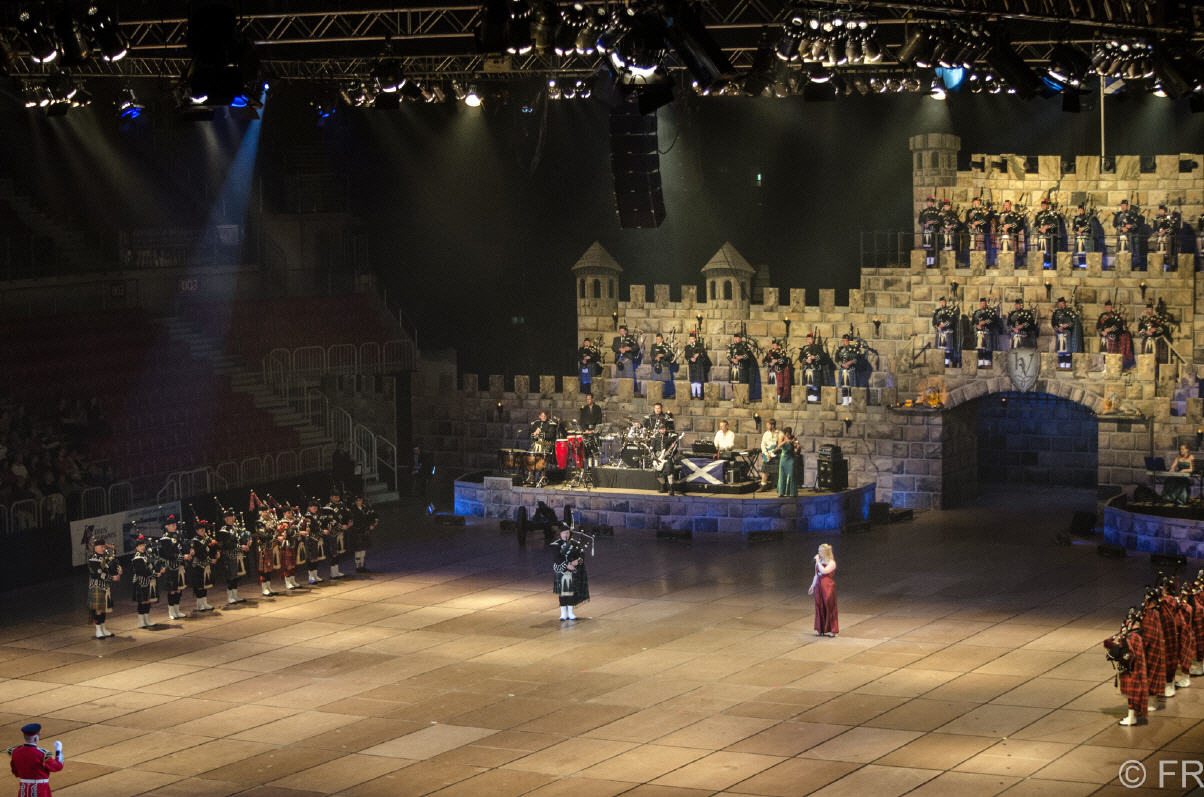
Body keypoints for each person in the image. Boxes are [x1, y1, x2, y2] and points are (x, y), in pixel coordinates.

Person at [10, 723, 63, 796]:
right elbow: (58, 766)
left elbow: (15, 771)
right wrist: (58, 751)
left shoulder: (15, 752)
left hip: (23, 790)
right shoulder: (42, 754)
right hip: (40, 790)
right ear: (35, 738)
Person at [551, 524, 588, 621]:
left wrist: (577, 561)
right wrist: (567, 565)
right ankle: (563, 613)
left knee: (571, 592)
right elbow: (556, 558)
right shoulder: (556, 544)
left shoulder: (574, 544)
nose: (566, 535)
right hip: (561, 570)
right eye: (564, 533)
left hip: (572, 571)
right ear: (560, 534)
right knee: (562, 593)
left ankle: (571, 613)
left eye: (567, 533)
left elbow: (581, 555)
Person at [85, 536, 120, 638]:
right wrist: (111, 577)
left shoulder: (105, 557)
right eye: (101, 546)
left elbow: (110, 569)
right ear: (95, 547)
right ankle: (98, 630)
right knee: (98, 609)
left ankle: (103, 629)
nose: (103, 548)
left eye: (104, 546)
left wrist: (117, 571)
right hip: (97, 586)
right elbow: (98, 574)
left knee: (104, 609)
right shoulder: (93, 559)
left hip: (105, 586)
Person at [185, 520, 218, 613]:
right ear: (197, 531)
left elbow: (211, 549)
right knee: (199, 585)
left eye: (204, 530)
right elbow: (198, 553)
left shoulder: (207, 539)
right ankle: (199, 605)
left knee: (205, 585)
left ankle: (205, 603)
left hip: (206, 565)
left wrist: (214, 555)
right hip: (197, 565)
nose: (203, 532)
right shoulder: (194, 541)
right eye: (201, 530)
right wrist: (209, 558)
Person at [130, 535, 162, 629]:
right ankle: (141, 621)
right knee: (142, 602)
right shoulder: (137, 557)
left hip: (148, 581)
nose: (143, 547)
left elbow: (151, 566)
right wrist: (154, 574)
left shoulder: (146, 555)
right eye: (140, 546)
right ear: (137, 548)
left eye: (143, 545)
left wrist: (157, 570)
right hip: (141, 582)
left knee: (148, 601)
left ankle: (147, 620)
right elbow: (142, 571)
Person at [158, 515, 186, 620]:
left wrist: (187, 552)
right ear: (167, 526)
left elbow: (182, 547)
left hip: (179, 565)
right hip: (170, 567)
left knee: (179, 589)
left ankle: (177, 610)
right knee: (172, 590)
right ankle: (171, 612)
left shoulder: (178, 535)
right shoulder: (165, 538)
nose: (175, 526)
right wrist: (182, 557)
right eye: (172, 525)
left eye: (175, 524)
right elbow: (168, 554)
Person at [216, 509, 245, 605]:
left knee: (236, 576)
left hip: (237, 555)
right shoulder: (223, 530)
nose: (233, 518)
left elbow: (239, 539)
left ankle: (235, 595)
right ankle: (230, 597)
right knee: (230, 576)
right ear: (225, 519)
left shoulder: (235, 528)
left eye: (233, 517)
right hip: (228, 556)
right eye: (230, 517)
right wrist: (240, 547)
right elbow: (227, 544)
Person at [322, 487, 353, 580]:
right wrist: (341, 526)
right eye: (335, 497)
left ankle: (336, 571)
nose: (337, 498)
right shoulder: (328, 507)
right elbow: (330, 519)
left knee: (339, 551)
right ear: (331, 497)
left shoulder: (342, 505)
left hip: (341, 532)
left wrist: (349, 521)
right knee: (333, 552)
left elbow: (348, 514)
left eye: (338, 497)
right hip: (332, 532)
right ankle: (333, 573)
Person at [809, 543, 838, 637]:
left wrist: (818, 561)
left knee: (829, 606)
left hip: (828, 587)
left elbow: (824, 571)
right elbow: (816, 575)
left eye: (820, 551)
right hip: (819, 586)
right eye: (818, 551)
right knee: (819, 606)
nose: (818, 553)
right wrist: (812, 586)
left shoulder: (832, 563)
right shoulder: (819, 562)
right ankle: (821, 628)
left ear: (825, 552)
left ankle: (833, 630)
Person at [1050, 297, 1083, 369]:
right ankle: (1062, 367)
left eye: (1062, 304)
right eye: (1059, 304)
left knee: (1068, 352)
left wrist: (1067, 325)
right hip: (1059, 333)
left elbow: (1074, 322)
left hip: (1068, 334)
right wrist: (1058, 328)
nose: (1061, 305)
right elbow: (1053, 322)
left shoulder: (1070, 312)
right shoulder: (1055, 313)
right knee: (1061, 352)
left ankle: (1067, 367)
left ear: (1065, 304)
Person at [349, 495, 378, 573]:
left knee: (363, 548)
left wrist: (372, 524)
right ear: (355, 501)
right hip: (357, 531)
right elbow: (351, 520)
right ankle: (358, 566)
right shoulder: (352, 509)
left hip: (365, 531)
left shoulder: (365, 508)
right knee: (358, 549)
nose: (359, 502)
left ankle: (362, 565)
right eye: (357, 500)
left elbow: (371, 516)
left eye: (360, 500)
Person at [529, 411, 558, 486]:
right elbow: (531, 435)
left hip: (547, 444)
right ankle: (531, 475)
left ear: (546, 416)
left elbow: (551, 435)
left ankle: (542, 475)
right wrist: (534, 434)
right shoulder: (536, 423)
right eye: (542, 416)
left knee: (542, 456)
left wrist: (540, 433)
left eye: (544, 416)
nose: (543, 417)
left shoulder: (551, 424)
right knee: (530, 454)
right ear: (539, 416)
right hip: (537, 443)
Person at [799, 332, 830, 402]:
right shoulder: (804, 348)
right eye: (807, 339)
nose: (808, 340)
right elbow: (800, 358)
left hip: (815, 368)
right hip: (806, 369)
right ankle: (807, 398)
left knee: (815, 385)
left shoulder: (818, 347)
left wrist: (814, 357)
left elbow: (822, 356)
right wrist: (806, 360)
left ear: (813, 340)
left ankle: (815, 398)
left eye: (810, 339)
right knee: (807, 385)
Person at [931, 296, 960, 367]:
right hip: (939, 332)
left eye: (943, 302)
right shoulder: (937, 312)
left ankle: (946, 363)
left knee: (947, 349)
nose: (942, 303)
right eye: (940, 302)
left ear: (945, 302)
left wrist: (944, 325)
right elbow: (934, 322)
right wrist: (937, 327)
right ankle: (940, 363)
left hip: (947, 332)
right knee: (939, 349)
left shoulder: (950, 311)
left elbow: (952, 320)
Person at [651, 427, 680, 495]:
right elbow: (652, 448)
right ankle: (663, 487)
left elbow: (675, 447)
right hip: (658, 458)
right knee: (658, 475)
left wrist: (670, 454)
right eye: (661, 429)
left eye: (664, 429)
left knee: (669, 473)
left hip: (667, 457)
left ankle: (671, 489)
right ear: (659, 429)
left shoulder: (670, 436)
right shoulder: (655, 437)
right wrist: (654, 457)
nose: (663, 430)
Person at [971, 298, 998, 367]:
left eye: (984, 303)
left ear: (986, 303)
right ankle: (980, 363)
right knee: (980, 348)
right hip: (979, 333)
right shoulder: (976, 312)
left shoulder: (990, 311)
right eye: (982, 303)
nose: (983, 305)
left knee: (988, 348)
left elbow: (994, 320)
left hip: (987, 332)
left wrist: (985, 322)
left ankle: (987, 363)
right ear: (980, 304)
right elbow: (972, 322)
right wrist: (977, 325)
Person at [683, 332, 710, 399]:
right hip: (692, 366)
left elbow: (704, 354)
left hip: (698, 365)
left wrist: (698, 355)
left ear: (695, 339)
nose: (691, 340)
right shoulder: (687, 347)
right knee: (693, 381)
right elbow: (686, 356)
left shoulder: (700, 346)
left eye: (692, 339)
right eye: (690, 339)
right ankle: (693, 394)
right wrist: (690, 359)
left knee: (698, 381)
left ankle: (699, 394)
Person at [578, 393, 603, 468]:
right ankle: (589, 466)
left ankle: (596, 466)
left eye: (589, 399)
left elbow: (599, 420)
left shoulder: (597, 408)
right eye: (587, 399)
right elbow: (581, 421)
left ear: (592, 399)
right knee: (588, 450)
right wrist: (585, 430)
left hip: (595, 430)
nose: (588, 400)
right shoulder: (584, 409)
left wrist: (594, 430)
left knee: (595, 449)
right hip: (586, 430)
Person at [1033, 197, 1060, 264]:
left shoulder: (1052, 213)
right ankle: (1041, 264)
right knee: (1041, 251)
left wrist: (1048, 227)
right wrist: (1040, 229)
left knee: (1049, 251)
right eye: (1042, 205)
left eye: (1044, 205)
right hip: (1041, 235)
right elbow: (1035, 225)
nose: (1043, 207)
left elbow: (1056, 224)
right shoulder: (1038, 214)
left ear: (1047, 206)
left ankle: (1051, 264)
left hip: (1049, 236)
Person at [649, 333, 675, 397]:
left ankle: (664, 394)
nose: (657, 340)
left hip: (664, 365)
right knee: (655, 381)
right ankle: (656, 395)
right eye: (657, 339)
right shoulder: (653, 346)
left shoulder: (666, 345)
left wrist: (662, 355)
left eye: (659, 339)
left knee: (664, 381)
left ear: (662, 339)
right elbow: (651, 354)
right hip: (656, 365)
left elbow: (670, 353)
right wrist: (655, 358)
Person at [776, 427, 799, 498]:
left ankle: (792, 492)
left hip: (791, 458)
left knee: (791, 475)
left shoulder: (794, 438)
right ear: (785, 433)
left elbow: (797, 446)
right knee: (782, 475)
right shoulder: (782, 438)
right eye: (787, 434)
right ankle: (781, 492)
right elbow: (778, 446)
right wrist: (785, 441)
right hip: (784, 459)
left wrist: (796, 447)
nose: (789, 435)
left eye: (789, 434)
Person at [759, 419, 778, 491]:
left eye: (768, 425)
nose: (766, 426)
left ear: (772, 425)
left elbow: (779, 445)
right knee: (765, 470)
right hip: (767, 455)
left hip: (776, 454)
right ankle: (763, 485)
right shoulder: (766, 434)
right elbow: (763, 444)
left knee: (780, 470)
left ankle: (780, 487)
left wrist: (772, 452)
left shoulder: (779, 434)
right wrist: (766, 454)